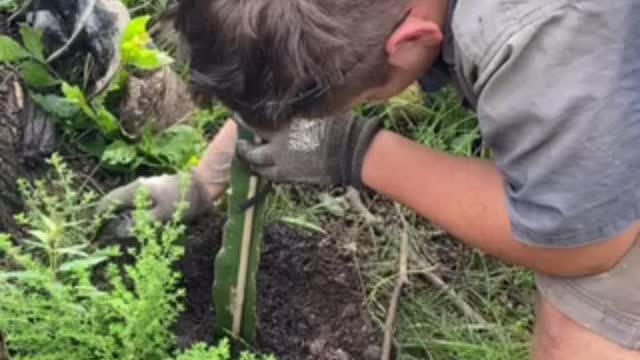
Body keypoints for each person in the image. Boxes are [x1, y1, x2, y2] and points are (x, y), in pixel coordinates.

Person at [101, 0, 640, 358]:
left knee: (582, 332)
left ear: (410, 40)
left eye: (358, 99)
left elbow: (589, 244)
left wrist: (358, 153)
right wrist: (202, 182)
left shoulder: (545, 34)